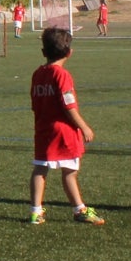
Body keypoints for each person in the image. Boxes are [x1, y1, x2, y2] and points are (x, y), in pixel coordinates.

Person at [28, 26, 105, 226]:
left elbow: (35, 105)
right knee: (69, 171)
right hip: (63, 132)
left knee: (40, 169)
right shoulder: (62, 75)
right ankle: (79, 209)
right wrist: (84, 127)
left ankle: (36, 211)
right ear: (69, 52)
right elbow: (68, 106)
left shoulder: (38, 74)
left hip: (43, 129)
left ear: (44, 52)